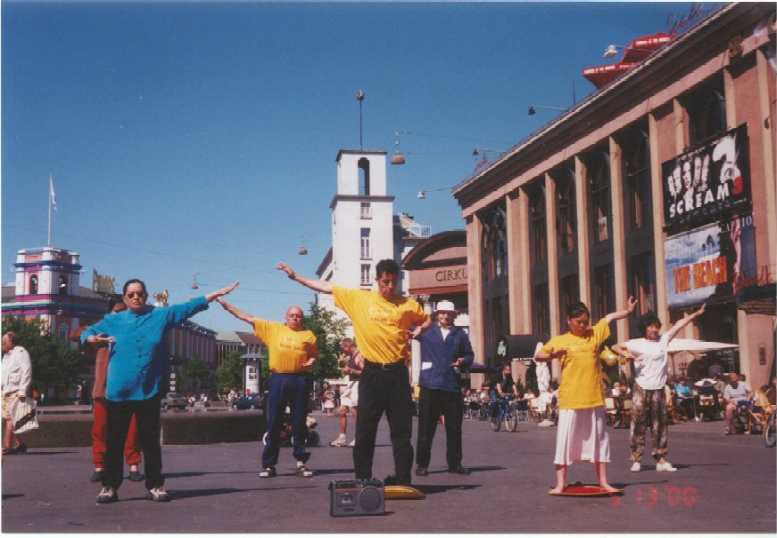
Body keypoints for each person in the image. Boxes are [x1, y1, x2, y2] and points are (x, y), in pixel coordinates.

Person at [81, 278, 237, 504]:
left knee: (151, 443)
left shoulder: (159, 316)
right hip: (119, 393)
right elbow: (88, 331)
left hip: (148, 392)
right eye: (131, 294)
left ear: (146, 296)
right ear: (124, 298)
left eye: (140, 293)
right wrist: (91, 338)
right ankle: (109, 486)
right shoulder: (114, 320)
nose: (136, 297)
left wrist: (213, 295)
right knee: (114, 442)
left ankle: (155, 485)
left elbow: (186, 308)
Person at [278, 259, 431, 486]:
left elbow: (427, 319)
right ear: (377, 280)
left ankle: (403, 479)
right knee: (364, 430)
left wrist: (420, 329)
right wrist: (296, 277)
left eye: (394, 282)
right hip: (372, 374)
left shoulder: (408, 305)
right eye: (385, 282)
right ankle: (363, 478)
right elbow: (326, 287)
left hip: (398, 373)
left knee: (402, 432)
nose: (389, 287)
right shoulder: (360, 299)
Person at [535, 297, 637, 495]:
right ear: (569, 321)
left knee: (600, 441)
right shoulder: (560, 340)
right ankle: (560, 483)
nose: (583, 325)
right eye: (579, 322)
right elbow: (539, 355)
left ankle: (603, 482)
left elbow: (609, 318)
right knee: (565, 441)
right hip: (570, 399)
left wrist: (627, 311)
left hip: (594, 398)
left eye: (585, 322)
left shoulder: (594, 334)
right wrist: (554, 355)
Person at [216, 300, 317, 478]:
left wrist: (311, 361)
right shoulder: (273, 329)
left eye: (298, 316)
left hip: (300, 378)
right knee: (274, 422)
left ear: (302, 319)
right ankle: (269, 465)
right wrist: (228, 306)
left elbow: (314, 355)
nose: (295, 318)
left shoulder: (308, 335)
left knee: (299, 422)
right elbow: (247, 317)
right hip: (278, 378)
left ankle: (301, 462)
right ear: (285, 317)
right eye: (292, 315)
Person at [613, 304, 705, 473]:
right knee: (638, 423)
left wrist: (696, 314)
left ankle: (661, 459)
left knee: (660, 424)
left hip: (659, 387)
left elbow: (679, 325)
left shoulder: (664, 339)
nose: (654, 330)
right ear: (644, 328)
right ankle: (636, 458)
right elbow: (615, 346)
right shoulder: (636, 343)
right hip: (641, 387)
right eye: (651, 326)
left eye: (656, 326)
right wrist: (626, 354)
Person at [75, 299, 144, 483]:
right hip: (103, 388)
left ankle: (133, 465)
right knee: (100, 428)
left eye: (124, 311)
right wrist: (91, 336)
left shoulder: (134, 330)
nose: (121, 315)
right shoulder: (103, 328)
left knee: (132, 429)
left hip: (130, 388)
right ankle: (100, 466)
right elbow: (78, 333)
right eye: (117, 311)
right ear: (109, 314)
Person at [414, 300, 474, 476]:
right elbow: (406, 328)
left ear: (454, 315)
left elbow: (469, 355)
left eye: (449, 313)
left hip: (451, 385)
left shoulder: (460, 334)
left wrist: (463, 360)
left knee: (454, 428)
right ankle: (422, 464)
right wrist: (419, 327)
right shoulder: (426, 331)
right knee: (426, 428)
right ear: (436, 314)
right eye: (442, 313)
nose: (445, 316)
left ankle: (455, 464)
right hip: (430, 384)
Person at [2, 332, 32, 455]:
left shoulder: (21, 353)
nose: (1, 344)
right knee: (9, 419)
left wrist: (23, 390)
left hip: (16, 392)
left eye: (4, 342)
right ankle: (21, 445)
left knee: (10, 419)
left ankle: (7, 447)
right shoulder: (6, 356)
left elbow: (27, 371)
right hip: (5, 392)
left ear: (11, 342)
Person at [330, 338, 363, 448]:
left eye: (342, 349)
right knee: (342, 411)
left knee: (354, 411)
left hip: (357, 384)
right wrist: (342, 363)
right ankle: (342, 438)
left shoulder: (359, 356)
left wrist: (352, 371)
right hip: (350, 384)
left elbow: (366, 372)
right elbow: (344, 371)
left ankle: (359, 438)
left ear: (348, 346)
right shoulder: (350, 356)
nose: (342, 351)